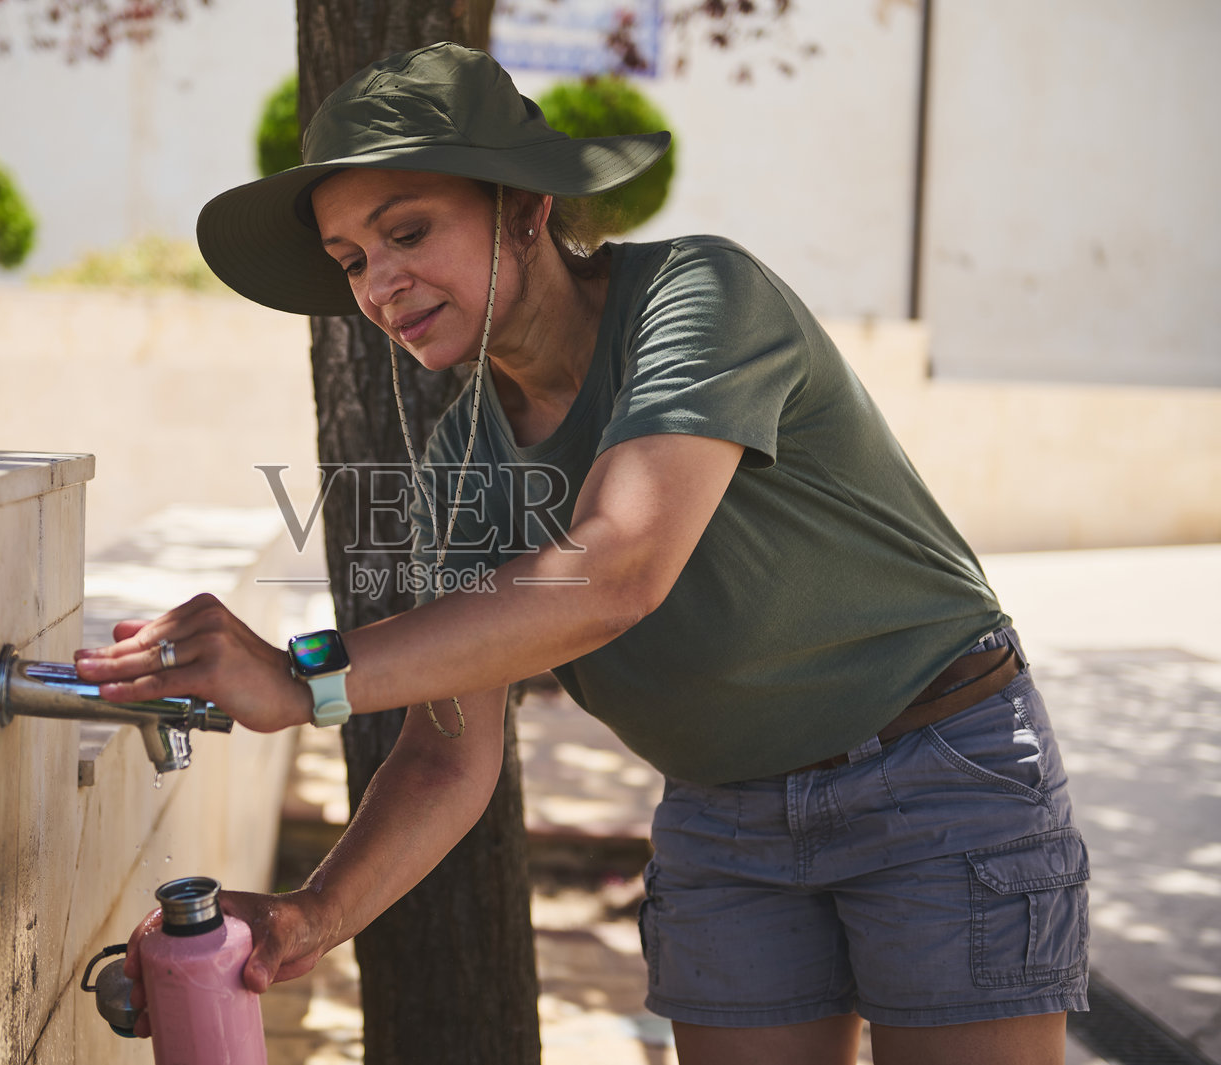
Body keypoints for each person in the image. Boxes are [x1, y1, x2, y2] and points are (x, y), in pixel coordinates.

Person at [74, 42, 1090, 1065]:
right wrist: (314, 914)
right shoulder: (460, 457)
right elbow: (446, 747)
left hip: (929, 765)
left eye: (407, 231)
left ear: (525, 210)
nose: (380, 285)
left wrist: (304, 679)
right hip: (722, 817)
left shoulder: (699, 296)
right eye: (351, 262)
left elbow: (616, 569)